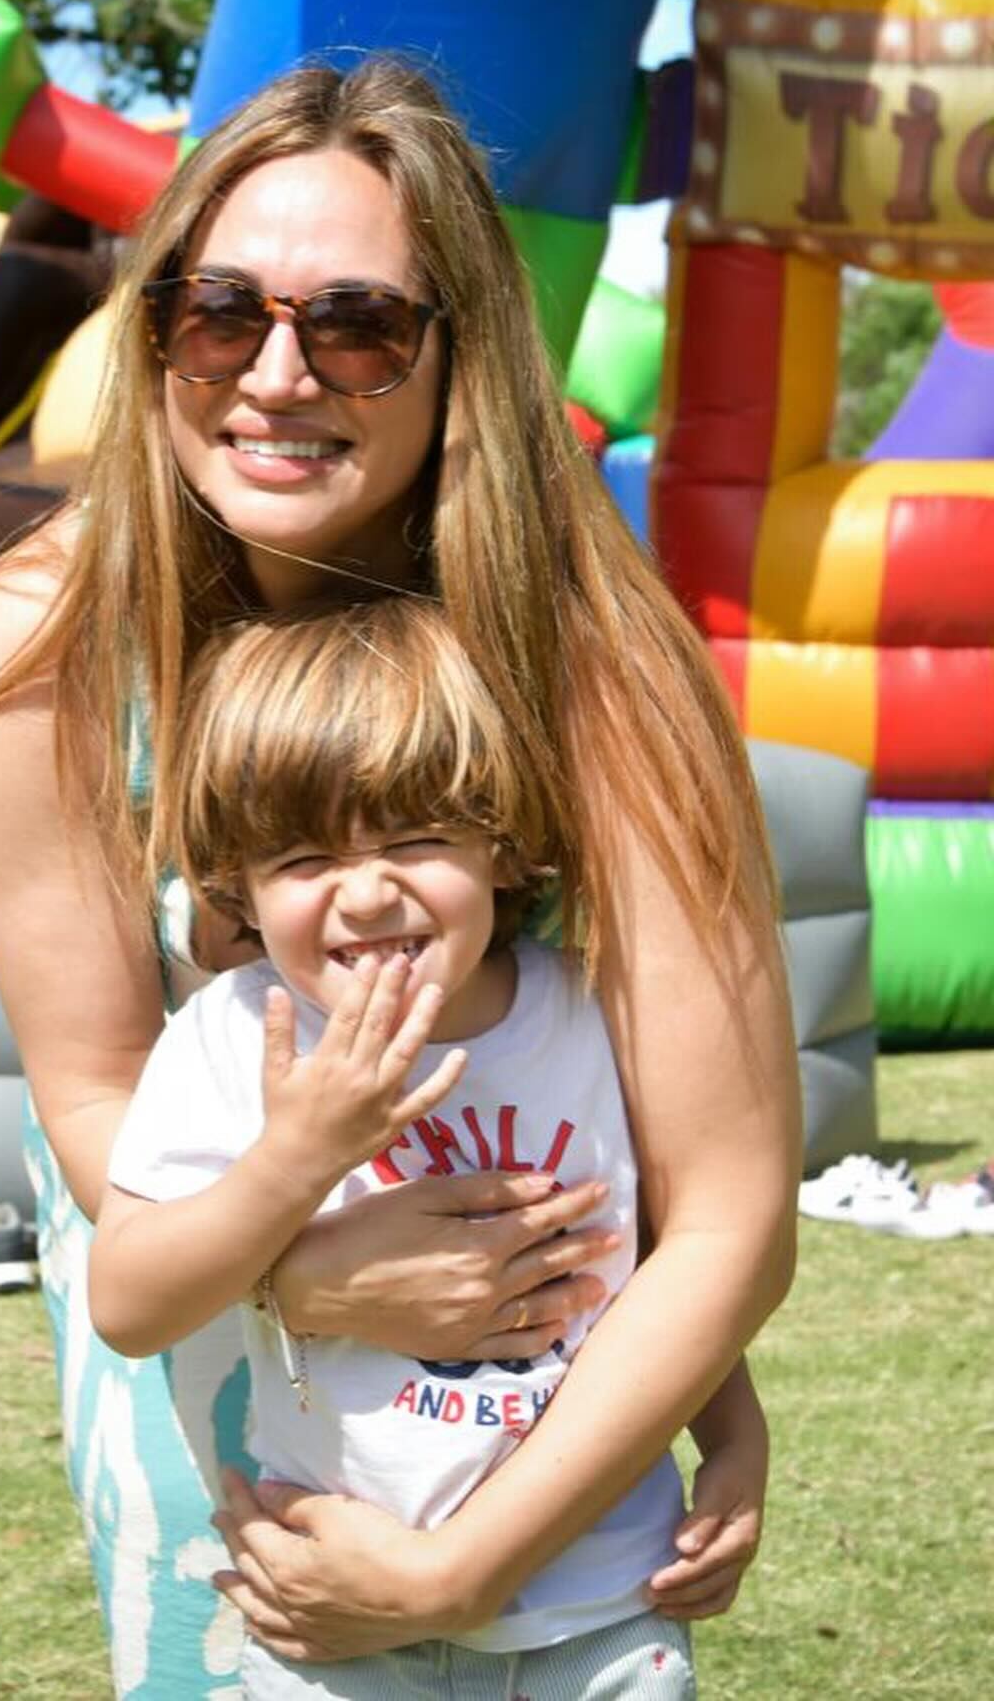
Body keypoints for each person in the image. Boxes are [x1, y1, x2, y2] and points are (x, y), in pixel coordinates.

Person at [0, 56, 799, 1695]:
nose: (277, 373)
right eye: (219, 314)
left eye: (357, 325)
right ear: (157, 337)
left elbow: (733, 1196)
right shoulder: (46, 645)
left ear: (454, 356)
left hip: (540, 1444)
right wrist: (303, 1267)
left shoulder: (596, 663)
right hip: (208, 1377)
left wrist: (459, 1569)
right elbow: (97, 1103)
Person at [90, 597, 707, 1696]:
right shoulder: (230, 1039)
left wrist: (737, 1434)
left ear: (505, 846)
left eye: (419, 840)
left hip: (601, 1608)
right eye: (301, 857)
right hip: (341, 1619)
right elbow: (130, 1305)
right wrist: (297, 1156)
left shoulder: (599, 1015)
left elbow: (674, 1257)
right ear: (237, 880)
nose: (369, 893)